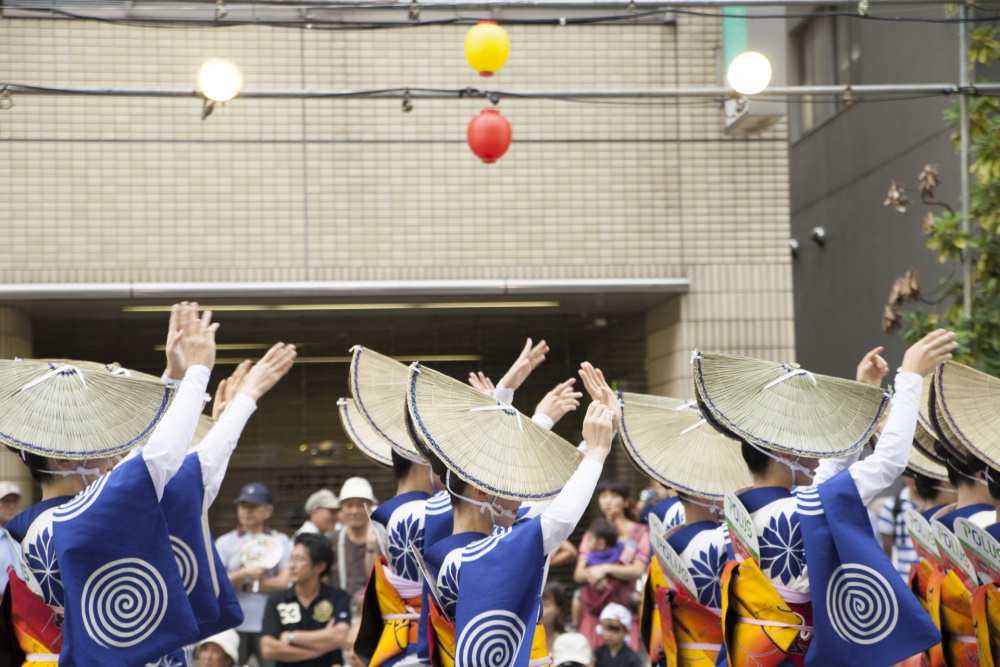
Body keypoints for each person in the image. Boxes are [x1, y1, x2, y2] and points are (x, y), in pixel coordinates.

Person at [2, 303, 296, 665]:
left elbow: (163, 467)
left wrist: (173, 380)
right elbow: (160, 462)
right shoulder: (61, 523)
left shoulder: (60, 518)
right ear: (62, 461)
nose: (115, 457)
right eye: (102, 448)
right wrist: (202, 375)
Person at [695, 332, 955, 666]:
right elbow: (887, 462)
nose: (819, 454)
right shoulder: (803, 509)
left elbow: (828, 477)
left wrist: (866, 396)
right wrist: (910, 379)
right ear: (781, 453)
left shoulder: (747, 512)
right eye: (810, 445)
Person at [409, 360, 617, 667]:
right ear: (480, 492)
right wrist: (597, 450)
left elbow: (555, 498)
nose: (523, 494)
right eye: (511, 487)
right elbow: (557, 519)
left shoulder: (459, 550)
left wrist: (602, 434)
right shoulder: (476, 555)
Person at [216, 481, 292, 667]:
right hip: (232, 625)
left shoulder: (280, 540)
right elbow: (215, 584)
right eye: (243, 506)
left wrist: (244, 585)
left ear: (268, 510)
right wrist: (242, 573)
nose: (247, 511)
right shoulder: (225, 542)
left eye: (253, 506)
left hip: (269, 625)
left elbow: (284, 582)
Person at [574, 479, 648, 652]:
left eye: (614, 496)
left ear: (626, 501)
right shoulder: (592, 533)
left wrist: (605, 569)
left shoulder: (639, 532)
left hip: (622, 612)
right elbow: (578, 573)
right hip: (594, 611)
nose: (607, 501)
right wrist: (594, 576)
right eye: (603, 496)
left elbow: (637, 570)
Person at [261, 533, 351, 667]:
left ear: (320, 566)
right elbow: (268, 649)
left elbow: (340, 637)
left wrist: (291, 637)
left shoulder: (338, 597)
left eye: (299, 559)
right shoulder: (277, 600)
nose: (291, 565)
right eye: (291, 558)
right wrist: (323, 642)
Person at [329, 476, 378, 603]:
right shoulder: (332, 540)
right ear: (342, 509)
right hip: (342, 614)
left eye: (361, 505)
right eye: (349, 505)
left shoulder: (382, 539)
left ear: (371, 507)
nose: (354, 511)